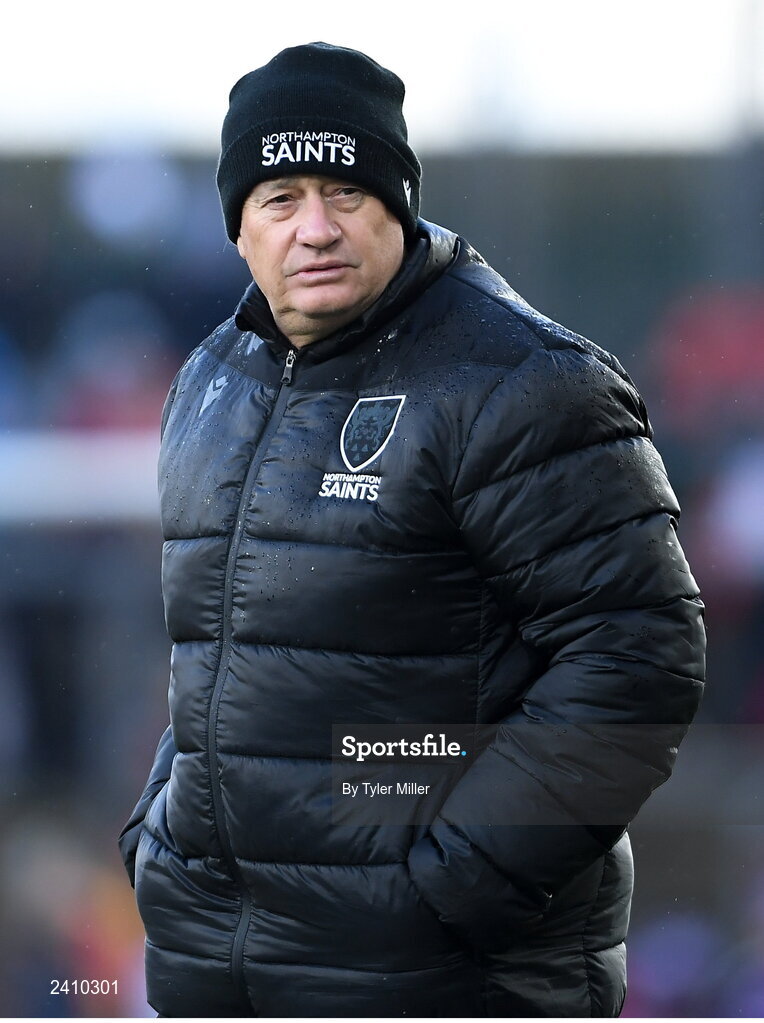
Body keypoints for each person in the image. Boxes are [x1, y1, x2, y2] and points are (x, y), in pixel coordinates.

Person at [119, 41, 706, 1018]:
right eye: (278, 198)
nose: (314, 228)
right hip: (217, 969)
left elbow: (639, 659)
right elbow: (212, 657)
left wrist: (448, 885)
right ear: (237, 226)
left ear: (397, 200)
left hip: (439, 978)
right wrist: (158, 836)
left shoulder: (522, 384)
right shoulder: (210, 382)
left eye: (345, 193)